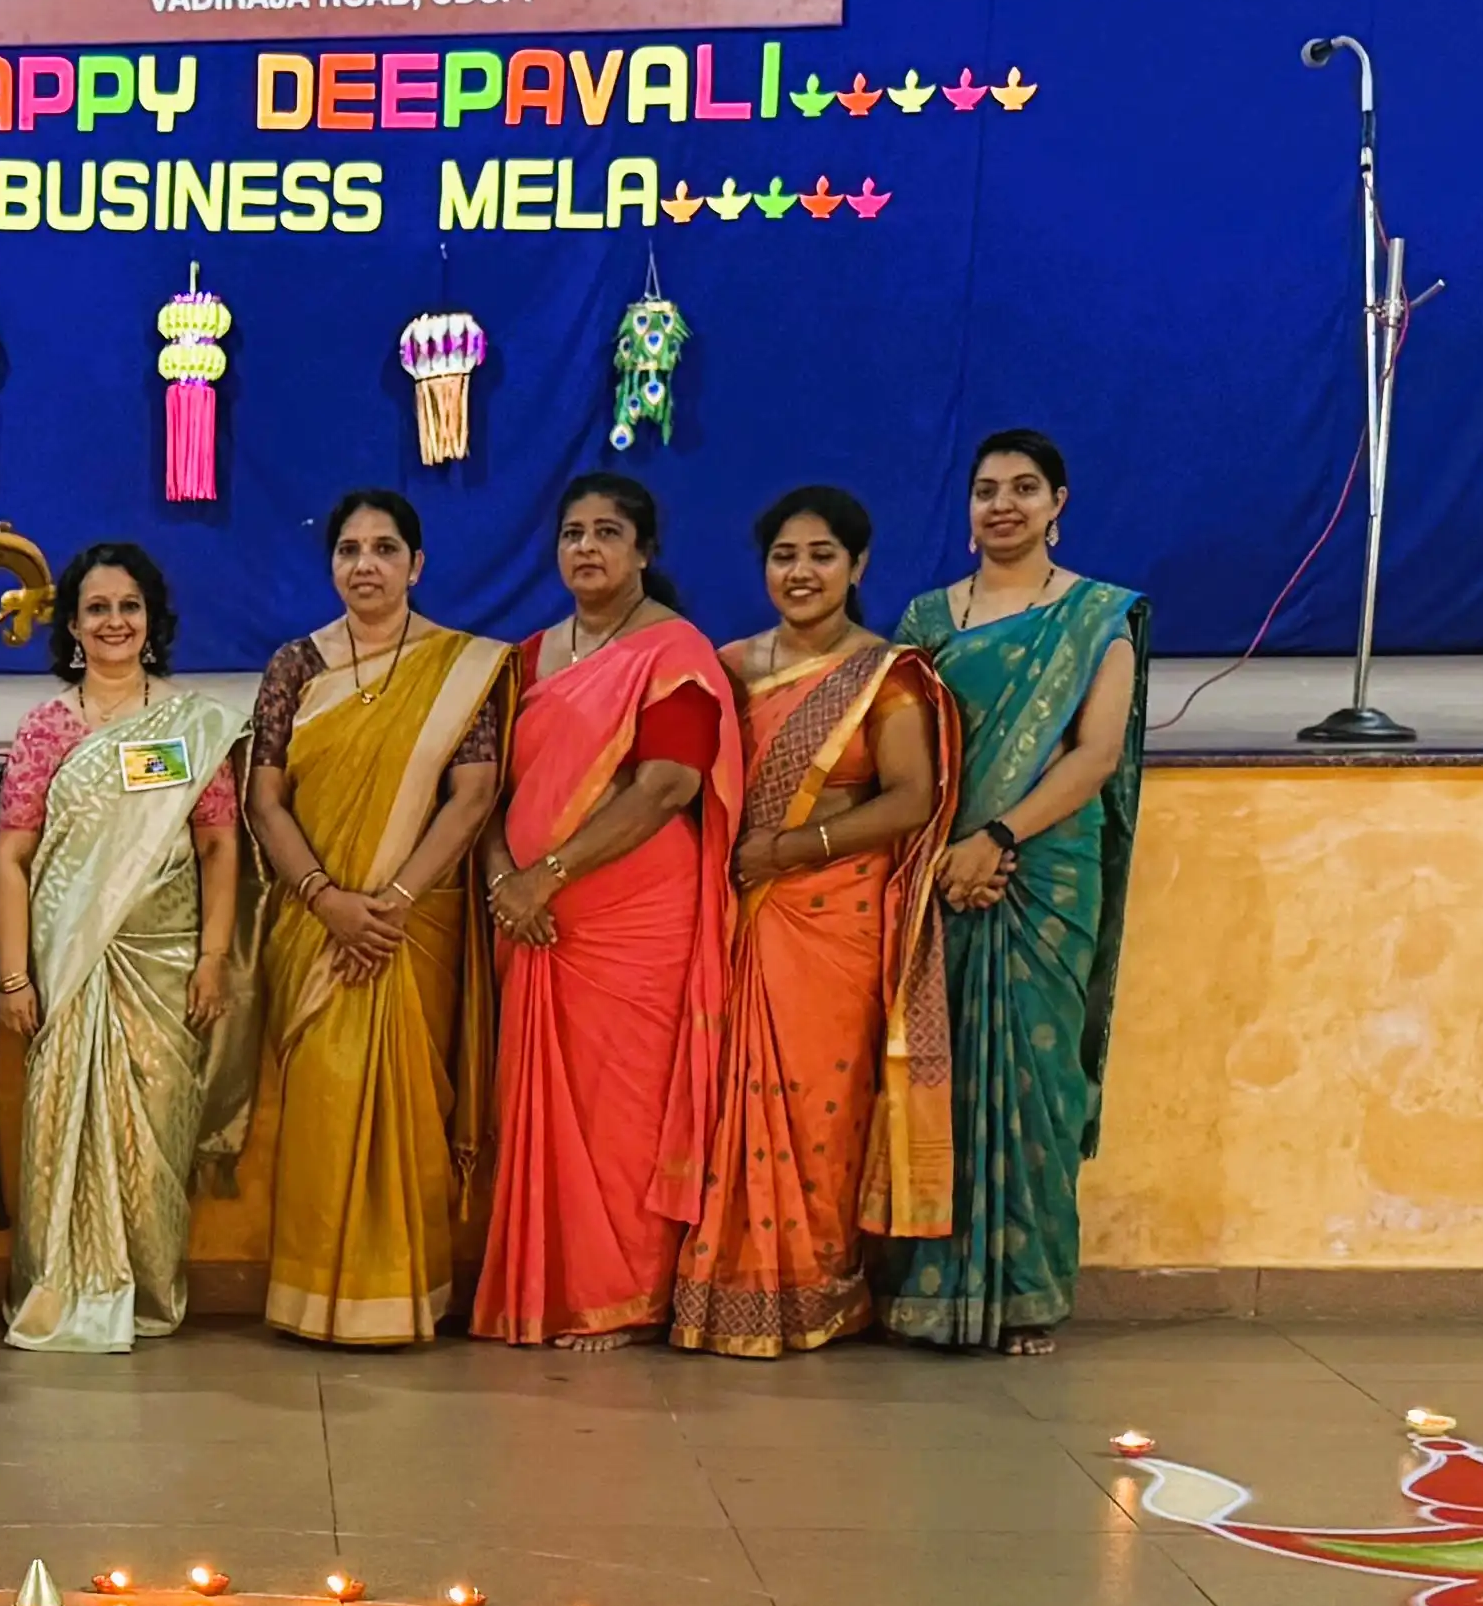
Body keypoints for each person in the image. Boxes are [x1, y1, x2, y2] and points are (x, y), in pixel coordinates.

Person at [674, 485, 958, 1356]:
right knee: (733, 1093)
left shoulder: (889, 672)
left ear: (858, 565)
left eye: (821, 555)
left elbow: (912, 797)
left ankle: (819, 1290)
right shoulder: (727, 666)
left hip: (835, 908)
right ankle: (727, 1288)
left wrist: (796, 849)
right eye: (785, 557)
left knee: (820, 1102)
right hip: (741, 907)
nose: (801, 573)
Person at [887, 429, 1147, 1356]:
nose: (1003, 504)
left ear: (1058, 504)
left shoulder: (1096, 617)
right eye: (987, 489)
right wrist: (950, 851)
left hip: (1042, 873)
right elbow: (901, 750)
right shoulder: (927, 617)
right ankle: (930, 1291)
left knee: (1032, 1080)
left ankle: (1028, 1298)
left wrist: (999, 837)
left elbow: (1097, 753)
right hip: (939, 873)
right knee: (936, 1082)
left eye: (1024, 488)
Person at [472, 472, 739, 1347]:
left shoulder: (676, 652)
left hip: (633, 916)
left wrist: (543, 876)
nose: (587, 547)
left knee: (620, 1110)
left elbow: (668, 786)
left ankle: (624, 1297)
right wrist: (507, 878)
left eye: (607, 533)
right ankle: (546, 1287)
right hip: (533, 917)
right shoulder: (527, 658)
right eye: (573, 533)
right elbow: (492, 795)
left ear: (644, 550)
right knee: (542, 1105)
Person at [237, 490, 507, 1346]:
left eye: (385, 549)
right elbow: (265, 797)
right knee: (322, 1105)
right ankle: (313, 1300)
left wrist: (387, 907)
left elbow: (475, 795)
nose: (365, 565)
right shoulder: (296, 665)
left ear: (416, 564)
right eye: (349, 549)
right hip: (315, 923)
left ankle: (403, 1297)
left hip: (412, 922)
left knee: (409, 1112)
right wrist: (327, 899)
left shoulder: (460, 667)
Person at [0, 542, 247, 1355]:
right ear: (72, 625)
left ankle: (145, 1291)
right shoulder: (45, 731)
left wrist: (212, 959)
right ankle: (59, 1290)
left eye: (127, 606)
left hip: (165, 965)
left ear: (151, 620)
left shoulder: (190, 724)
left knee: (159, 1135)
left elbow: (218, 847)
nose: (113, 621)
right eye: (96, 608)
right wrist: (12, 976)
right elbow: (11, 858)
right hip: (69, 966)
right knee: (59, 1130)